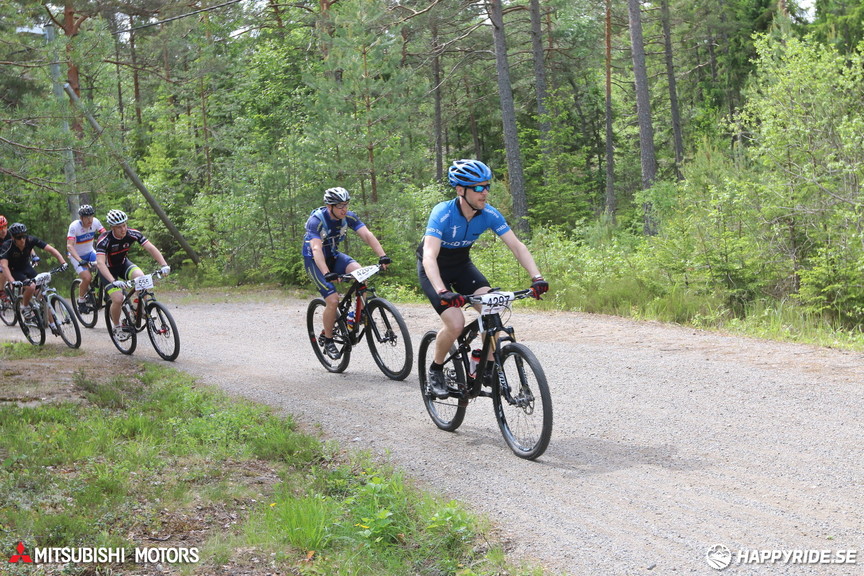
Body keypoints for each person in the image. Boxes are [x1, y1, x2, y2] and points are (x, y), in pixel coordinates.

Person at [417, 159, 549, 398]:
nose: (485, 192)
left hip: (461, 266)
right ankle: (435, 369)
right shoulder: (443, 213)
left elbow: (517, 246)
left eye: (487, 186)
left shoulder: (488, 214)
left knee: (492, 310)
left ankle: (486, 367)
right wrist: (442, 290)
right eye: (478, 188)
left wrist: (537, 277)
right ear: (460, 190)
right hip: (434, 269)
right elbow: (429, 256)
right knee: (455, 323)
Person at [303, 187, 391, 359]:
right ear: (329, 206)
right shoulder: (316, 221)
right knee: (333, 300)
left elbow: (367, 235)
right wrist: (327, 273)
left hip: (333, 256)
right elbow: (316, 249)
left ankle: (355, 315)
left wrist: (382, 256)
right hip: (315, 261)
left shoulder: (349, 217)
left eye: (346, 204)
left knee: (361, 273)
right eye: (340, 206)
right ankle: (329, 340)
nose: (344, 209)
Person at [95, 209, 170, 341]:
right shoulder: (104, 240)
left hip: (123, 264)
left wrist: (164, 265)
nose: (123, 229)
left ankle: (138, 309)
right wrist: (113, 281)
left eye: (124, 225)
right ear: (112, 227)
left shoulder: (133, 233)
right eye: (119, 227)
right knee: (118, 299)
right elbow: (100, 263)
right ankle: (117, 326)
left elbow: (150, 248)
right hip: (107, 270)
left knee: (141, 277)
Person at [0, 222, 68, 322]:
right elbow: (4, 266)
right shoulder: (7, 246)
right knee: (31, 287)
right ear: (13, 238)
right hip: (14, 270)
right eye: (19, 237)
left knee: (41, 292)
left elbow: (51, 249)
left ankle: (53, 325)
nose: (22, 239)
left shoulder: (30, 239)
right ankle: (25, 308)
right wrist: (12, 281)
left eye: (24, 236)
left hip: (26, 267)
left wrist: (63, 262)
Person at [66, 204, 106, 313]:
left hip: (90, 252)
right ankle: (81, 301)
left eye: (91, 216)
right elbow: (69, 246)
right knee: (87, 278)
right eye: (86, 217)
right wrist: (80, 260)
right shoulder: (74, 226)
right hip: (76, 255)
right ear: (81, 218)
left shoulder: (95, 222)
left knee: (105, 265)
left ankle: (100, 286)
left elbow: (105, 235)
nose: (90, 220)